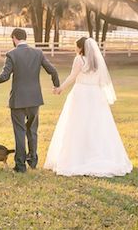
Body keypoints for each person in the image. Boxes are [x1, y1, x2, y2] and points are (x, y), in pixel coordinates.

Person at [44, 36, 132, 177]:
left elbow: (72, 77)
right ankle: (101, 155)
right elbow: (103, 81)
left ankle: (77, 157)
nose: (75, 49)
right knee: (97, 125)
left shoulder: (79, 59)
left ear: (80, 47)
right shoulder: (98, 61)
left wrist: (60, 88)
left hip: (81, 94)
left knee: (77, 125)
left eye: (76, 46)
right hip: (96, 95)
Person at [0, 28, 60, 173]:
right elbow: (53, 70)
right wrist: (56, 85)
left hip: (18, 100)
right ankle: (33, 161)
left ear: (14, 38)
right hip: (35, 99)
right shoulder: (38, 53)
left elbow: (5, 76)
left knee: (19, 132)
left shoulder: (12, 54)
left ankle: (20, 165)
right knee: (33, 131)